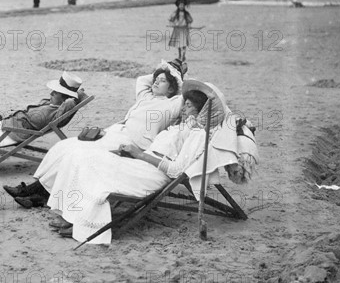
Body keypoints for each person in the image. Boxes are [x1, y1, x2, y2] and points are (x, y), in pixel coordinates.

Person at [44, 80, 226, 244]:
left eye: (188, 106)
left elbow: (176, 170)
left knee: (93, 166)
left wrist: (139, 154)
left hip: (153, 173)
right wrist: (131, 154)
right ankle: (73, 216)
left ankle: (86, 223)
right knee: (82, 156)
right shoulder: (181, 127)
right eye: (184, 105)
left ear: (200, 110)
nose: (183, 109)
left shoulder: (197, 134)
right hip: (143, 163)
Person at [4, 59, 186, 208]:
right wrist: (163, 69)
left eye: (162, 81)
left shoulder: (172, 104)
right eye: (156, 78)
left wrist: (177, 73)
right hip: (114, 132)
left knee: (78, 154)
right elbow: (142, 80)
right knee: (66, 146)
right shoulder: (146, 96)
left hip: (132, 142)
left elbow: (189, 92)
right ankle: (35, 191)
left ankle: (36, 195)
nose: (155, 81)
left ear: (172, 88)